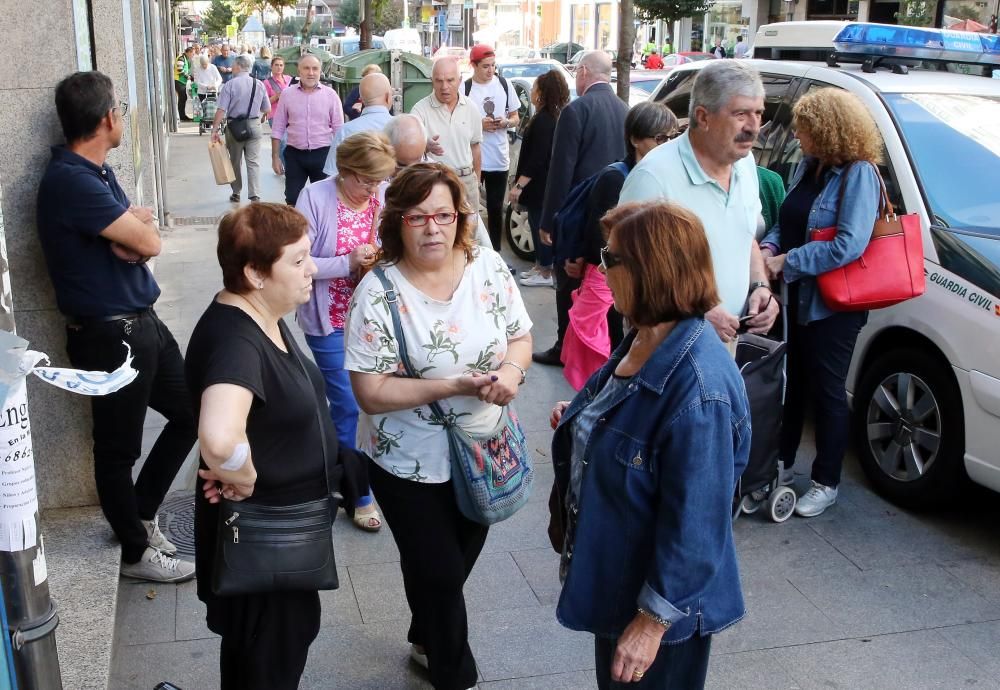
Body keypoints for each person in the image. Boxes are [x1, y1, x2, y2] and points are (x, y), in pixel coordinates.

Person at [345, 163, 532, 690]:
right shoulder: (378, 293)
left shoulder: (487, 267)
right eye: (418, 216)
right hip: (406, 458)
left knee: (444, 564)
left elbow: (519, 336)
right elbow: (371, 392)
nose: (433, 228)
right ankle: (455, 674)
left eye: (444, 215)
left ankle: (424, 632)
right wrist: (449, 386)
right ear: (397, 222)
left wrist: (513, 374)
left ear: (460, 216)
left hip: (484, 447)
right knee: (443, 574)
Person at [550, 201, 750, 690]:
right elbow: (627, 419)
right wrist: (583, 424)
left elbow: (698, 524)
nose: (600, 268)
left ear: (650, 271)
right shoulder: (645, 335)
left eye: (610, 258)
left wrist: (650, 624)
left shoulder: (700, 389)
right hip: (620, 581)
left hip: (659, 611)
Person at [36, 71, 196, 582]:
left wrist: (131, 227)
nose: (123, 117)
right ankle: (134, 552)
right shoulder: (70, 180)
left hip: (141, 320)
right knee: (117, 447)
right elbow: (146, 244)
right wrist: (134, 229)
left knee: (192, 410)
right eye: (121, 108)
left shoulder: (97, 171)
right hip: (110, 335)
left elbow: (137, 237)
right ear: (107, 118)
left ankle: (140, 514)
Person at [185, 203, 351, 689]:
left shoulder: (263, 316)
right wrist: (242, 471)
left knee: (261, 662)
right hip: (264, 546)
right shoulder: (236, 341)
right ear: (255, 273)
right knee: (266, 666)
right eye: (297, 261)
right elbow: (218, 436)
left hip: (279, 544)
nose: (313, 268)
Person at [760, 89, 882, 517]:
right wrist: (769, 247)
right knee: (792, 385)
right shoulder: (807, 167)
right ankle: (783, 462)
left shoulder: (859, 174)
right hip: (794, 296)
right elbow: (785, 220)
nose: (796, 134)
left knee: (827, 391)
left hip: (833, 307)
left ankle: (826, 480)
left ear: (828, 131)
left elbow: (849, 244)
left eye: (804, 127)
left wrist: (785, 260)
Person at [619, 60, 780, 354]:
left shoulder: (746, 166)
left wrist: (760, 287)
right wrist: (696, 313)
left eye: (758, 113)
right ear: (703, 117)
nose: (753, 126)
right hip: (666, 352)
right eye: (740, 114)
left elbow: (746, 240)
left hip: (725, 344)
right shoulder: (653, 177)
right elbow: (627, 275)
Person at [296, 131, 396, 532]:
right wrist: (347, 261)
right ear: (345, 171)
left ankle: (351, 471)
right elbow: (299, 262)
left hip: (376, 318)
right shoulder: (315, 198)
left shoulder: (383, 196)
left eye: (378, 181)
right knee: (348, 403)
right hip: (330, 319)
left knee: (379, 400)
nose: (373, 189)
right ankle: (359, 493)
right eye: (366, 180)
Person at [561, 102, 678, 390]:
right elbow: (599, 234)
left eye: (674, 136)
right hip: (614, 280)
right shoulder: (616, 177)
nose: (669, 144)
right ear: (636, 139)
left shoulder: (667, 174)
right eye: (660, 138)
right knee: (613, 349)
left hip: (651, 283)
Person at [532, 50, 628, 367]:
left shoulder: (577, 110)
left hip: (577, 215)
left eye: (577, 71)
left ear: (584, 71)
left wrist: (549, 222)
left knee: (568, 284)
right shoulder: (625, 110)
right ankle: (601, 344)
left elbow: (561, 171)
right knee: (604, 285)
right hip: (616, 216)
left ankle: (566, 346)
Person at [384, 115, 494, 249]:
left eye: (419, 162)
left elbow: (472, 226)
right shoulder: (373, 185)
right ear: (387, 156)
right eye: (403, 166)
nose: (413, 174)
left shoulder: (442, 179)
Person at [509, 70, 571, 288]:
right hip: (542, 184)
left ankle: (546, 271)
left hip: (540, 185)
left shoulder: (545, 120)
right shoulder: (550, 116)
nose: (532, 92)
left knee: (540, 225)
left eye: (535, 88)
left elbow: (537, 158)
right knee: (537, 225)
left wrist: (518, 186)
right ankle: (541, 266)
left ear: (543, 92)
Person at [464, 44, 520, 251]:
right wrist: (479, 124)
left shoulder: (504, 85)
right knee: (469, 208)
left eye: (493, 66)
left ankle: (495, 254)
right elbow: (458, 120)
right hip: (472, 157)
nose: (490, 71)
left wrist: (506, 122)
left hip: (499, 156)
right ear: (474, 65)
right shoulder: (465, 88)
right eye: (485, 66)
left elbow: (516, 117)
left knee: (496, 209)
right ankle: (471, 250)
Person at [270, 54, 345, 206]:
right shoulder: (287, 94)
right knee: (292, 198)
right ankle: (295, 229)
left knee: (325, 200)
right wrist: (275, 157)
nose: (311, 73)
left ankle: (320, 229)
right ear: (299, 71)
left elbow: (339, 130)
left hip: (323, 155)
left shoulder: (330, 95)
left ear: (320, 71)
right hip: (295, 155)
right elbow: (277, 128)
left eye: (315, 69)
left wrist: (341, 160)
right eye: (306, 68)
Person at [411, 57, 483, 210]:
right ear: (432, 81)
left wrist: (476, 181)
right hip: (435, 182)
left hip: (467, 182)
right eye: (439, 81)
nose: (444, 86)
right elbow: (409, 151)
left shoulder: (471, 108)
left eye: (450, 80)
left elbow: (475, 147)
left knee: (469, 232)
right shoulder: (420, 110)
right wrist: (425, 146)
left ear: (460, 80)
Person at [211, 54, 271, 204]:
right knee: (253, 162)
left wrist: (214, 130)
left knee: (235, 161)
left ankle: (236, 192)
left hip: (235, 127)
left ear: (237, 66)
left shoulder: (230, 85)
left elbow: (221, 110)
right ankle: (254, 195)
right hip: (254, 126)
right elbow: (267, 108)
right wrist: (259, 117)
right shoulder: (259, 84)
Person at [324, 72, 395, 176]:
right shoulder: (402, 127)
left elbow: (332, 174)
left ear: (361, 99)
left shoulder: (345, 131)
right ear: (388, 97)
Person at [174, 46, 194, 122]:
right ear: (188, 52)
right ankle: (182, 116)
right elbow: (180, 70)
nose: (192, 56)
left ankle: (183, 115)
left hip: (182, 81)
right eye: (192, 54)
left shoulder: (185, 58)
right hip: (179, 81)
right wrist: (188, 76)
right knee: (182, 98)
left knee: (183, 98)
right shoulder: (181, 58)